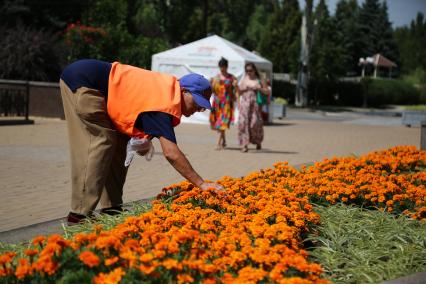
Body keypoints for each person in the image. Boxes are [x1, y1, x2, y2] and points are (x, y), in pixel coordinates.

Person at [59, 59, 224, 225]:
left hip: (95, 83)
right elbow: (171, 153)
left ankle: (112, 208)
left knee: (118, 145)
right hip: (84, 82)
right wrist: (201, 184)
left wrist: (142, 141)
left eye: (203, 106)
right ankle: (78, 214)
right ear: (183, 91)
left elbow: (135, 118)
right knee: (100, 142)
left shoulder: (167, 93)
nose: (200, 109)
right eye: (197, 102)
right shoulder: (164, 102)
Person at [237, 62, 269, 152]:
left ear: (254, 70)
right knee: (243, 123)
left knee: (254, 124)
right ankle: (244, 145)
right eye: (247, 71)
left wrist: (260, 88)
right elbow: (239, 92)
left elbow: (267, 92)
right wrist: (242, 89)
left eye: (250, 70)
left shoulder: (260, 80)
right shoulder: (244, 79)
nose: (248, 72)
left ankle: (257, 141)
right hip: (245, 104)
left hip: (255, 105)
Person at [209, 57, 238, 150]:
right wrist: (211, 85)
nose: (222, 68)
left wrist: (235, 87)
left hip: (226, 102)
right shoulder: (215, 78)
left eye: (224, 66)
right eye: (221, 66)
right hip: (217, 103)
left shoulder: (232, 78)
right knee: (217, 122)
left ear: (227, 67)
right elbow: (212, 91)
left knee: (222, 122)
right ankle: (224, 140)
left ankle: (219, 143)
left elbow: (235, 90)